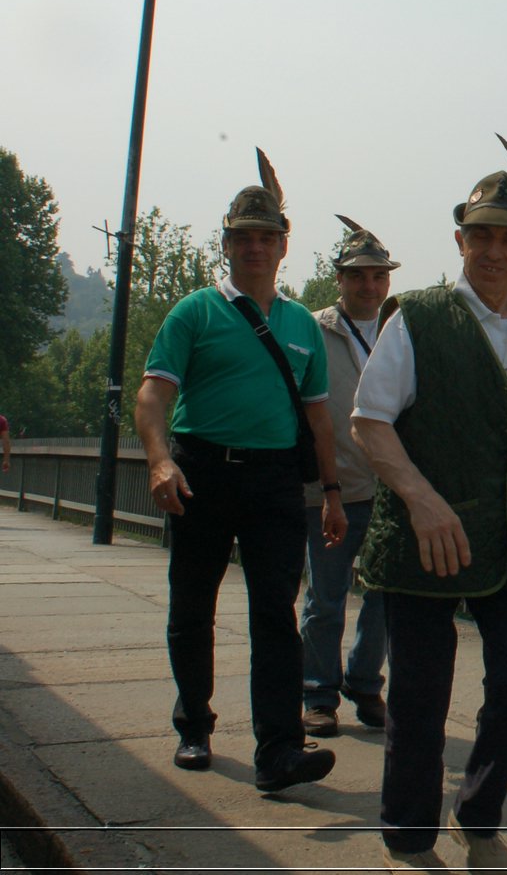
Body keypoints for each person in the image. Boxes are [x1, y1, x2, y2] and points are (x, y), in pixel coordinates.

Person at [352, 137, 507, 873]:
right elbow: (369, 421)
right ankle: (408, 831)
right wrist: (419, 498)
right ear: (460, 240)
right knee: (419, 692)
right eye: (482, 236)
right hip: (425, 536)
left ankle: (479, 802)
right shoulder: (419, 318)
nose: (495, 251)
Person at [134, 150, 346, 794]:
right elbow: (152, 396)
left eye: (266, 237)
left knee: (275, 617)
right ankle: (194, 724)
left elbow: (320, 422)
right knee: (191, 607)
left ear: (285, 246)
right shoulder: (194, 313)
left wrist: (332, 493)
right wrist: (160, 458)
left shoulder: (300, 324)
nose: (255, 247)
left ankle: (278, 752)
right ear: (226, 244)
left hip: (276, 482)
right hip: (201, 471)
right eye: (243, 237)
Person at [299, 217, 400, 738]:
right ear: (340, 278)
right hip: (331, 489)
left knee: (383, 596)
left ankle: (365, 684)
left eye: (378, 276)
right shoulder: (314, 329)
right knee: (326, 596)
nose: (369, 286)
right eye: (358, 275)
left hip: (387, 490)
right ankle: (318, 692)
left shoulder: (399, 330)